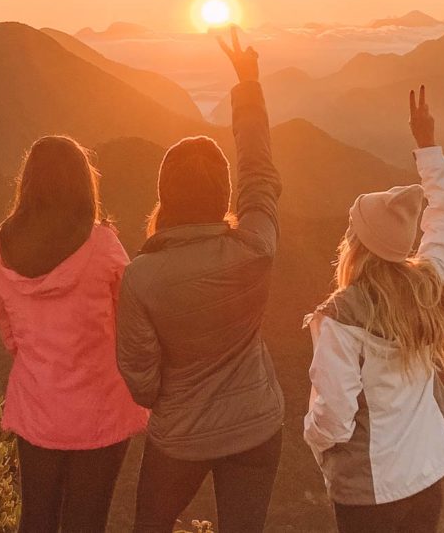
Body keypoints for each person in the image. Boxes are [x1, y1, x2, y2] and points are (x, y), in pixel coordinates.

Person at [117, 29, 284, 533]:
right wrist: (249, 85)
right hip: (257, 423)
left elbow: (141, 383)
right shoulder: (255, 246)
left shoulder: (141, 277)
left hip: (180, 435)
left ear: (164, 193)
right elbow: (260, 173)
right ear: (223, 193)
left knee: (150, 524)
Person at [303, 87, 444, 533]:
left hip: (369, 492)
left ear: (356, 247)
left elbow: (333, 418)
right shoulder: (430, 287)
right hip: (425, 480)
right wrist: (428, 149)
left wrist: (315, 441)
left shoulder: (339, 318)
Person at [0, 136, 149, 533]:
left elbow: (9, 334)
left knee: (37, 520)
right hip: (101, 409)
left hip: (38, 407)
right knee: (87, 521)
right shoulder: (103, 246)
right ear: (82, 183)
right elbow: (131, 319)